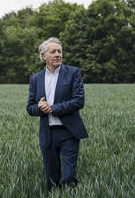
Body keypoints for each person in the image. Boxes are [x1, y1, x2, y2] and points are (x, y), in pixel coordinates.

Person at [26, 37, 88, 192]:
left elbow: (79, 101)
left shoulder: (73, 73)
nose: (57, 54)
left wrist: (53, 108)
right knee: (52, 180)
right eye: (53, 52)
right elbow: (30, 108)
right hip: (47, 134)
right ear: (43, 57)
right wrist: (40, 107)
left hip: (69, 132)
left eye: (59, 51)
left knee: (68, 178)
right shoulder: (35, 79)